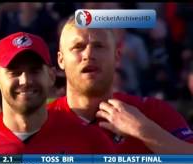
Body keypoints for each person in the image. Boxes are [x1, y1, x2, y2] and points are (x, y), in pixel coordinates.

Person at [0, 32, 115, 154]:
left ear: (51, 76)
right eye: (14, 72)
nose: (25, 80)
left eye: (35, 71)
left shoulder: (90, 140)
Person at [49, 16, 193, 154]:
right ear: (61, 60)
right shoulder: (39, 124)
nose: (89, 54)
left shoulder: (152, 112)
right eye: (78, 47)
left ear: (116, 56)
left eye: (99, 46)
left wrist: (144, 131)